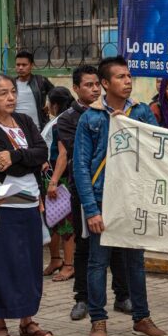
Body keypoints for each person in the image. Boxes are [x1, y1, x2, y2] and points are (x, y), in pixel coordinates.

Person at [73, 56, 167, 336]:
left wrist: (128, 125)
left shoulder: (141, 112)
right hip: (103, 200)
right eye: (120, 77)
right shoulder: (90, 118)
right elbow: (81, 166)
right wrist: (91, 209)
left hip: (133, 199)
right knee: (97, 262)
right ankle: (98, 320)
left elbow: (158, 150)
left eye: (129, 76)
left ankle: (142, 318)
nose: (127, 81)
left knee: (135, 262)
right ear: (105, 83)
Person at [0, 73, 53, 336]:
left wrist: (14, 155)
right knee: (1, 264)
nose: (11, 97)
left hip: (31, 204)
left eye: (13, 91)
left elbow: (42, 152)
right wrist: (26, 158)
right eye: (3, 93)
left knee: (30, 264)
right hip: (2, 207)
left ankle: (27, 320)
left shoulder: (24, 121)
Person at [55, 65, 132, 321]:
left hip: (117, 188)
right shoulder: (68, 119)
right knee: (85, 245)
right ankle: (82, 298)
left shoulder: (121, 112)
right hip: (84, 191)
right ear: (76, 88)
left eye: (97, 84)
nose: (95, 89)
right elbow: (80, 155)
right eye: (88, 85)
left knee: (118, 245)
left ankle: (122, 296)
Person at [42, 87, 77, 282]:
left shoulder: (61, 123)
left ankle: (69, 264)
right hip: (50, 175)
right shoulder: (55, 121)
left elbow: (63, 154)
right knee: (52, 221)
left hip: (60, 178)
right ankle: (55, 260)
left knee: (65, 223)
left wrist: (54, 181)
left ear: (54, 104)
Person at [14, 50, 54, 130]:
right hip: (17, 130)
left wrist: (50, 102)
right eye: (18, 65)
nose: (20, 68)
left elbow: (57, 93)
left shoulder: (40, 81)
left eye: (24, 65)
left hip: (38, 129)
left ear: (32, 65)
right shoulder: (10, 83)